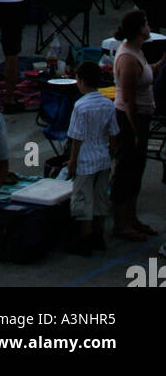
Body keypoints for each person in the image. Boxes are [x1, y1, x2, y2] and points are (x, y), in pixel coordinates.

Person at [112, 8, 163, 241]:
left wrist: (161, 63)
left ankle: (132, 218)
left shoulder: (138, 52)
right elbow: (129, 100)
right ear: (137, 30)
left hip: (141, 116)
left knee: (137, 169)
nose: (149, 27)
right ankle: (121, 223)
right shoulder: (128, 59)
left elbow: (147, 73)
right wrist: (135, 131)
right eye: (145, 24)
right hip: (130, 119)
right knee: (126, 169)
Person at [65, 60, 120, 255]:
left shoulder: (80, 106)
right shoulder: (107, 103)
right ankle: (99, 236)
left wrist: (72, 161)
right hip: (103, 156)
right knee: (100, 197)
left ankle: (84, 238)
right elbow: (114, 133)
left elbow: (77, 138)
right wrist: (112, 153)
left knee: (83, 199)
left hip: (85, 159)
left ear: (81, 81)